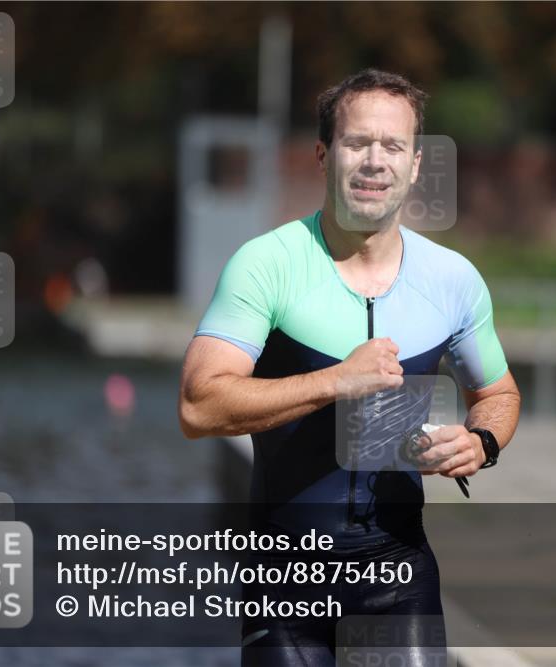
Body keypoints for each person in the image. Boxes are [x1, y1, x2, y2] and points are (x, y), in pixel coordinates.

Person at [178, 68, 521, 666]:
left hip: (399, 578)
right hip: (284, 582)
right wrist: (337, 381)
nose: (374, 161)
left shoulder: (453, 280)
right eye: (357, 142)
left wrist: (481, 440)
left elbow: (500, 393)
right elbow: (198, 405)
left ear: (415, 166)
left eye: (393, 146)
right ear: (323, 155)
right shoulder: (267, 265)